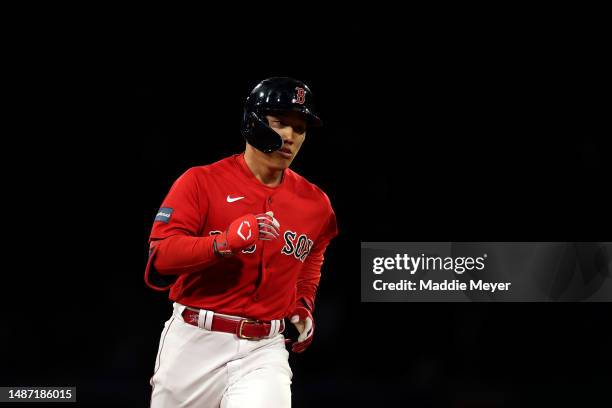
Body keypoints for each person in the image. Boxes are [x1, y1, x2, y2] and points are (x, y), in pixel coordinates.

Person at [145, 77, 338, 407]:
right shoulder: (201, 182)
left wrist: (304, 304)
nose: (291, 136)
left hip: (264, 350)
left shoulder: (316, 205)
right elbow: (161, 257)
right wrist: (223, 243)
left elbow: (310, 263)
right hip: (194, 340)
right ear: (254, 122)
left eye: (300, 128)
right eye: (280, 123)